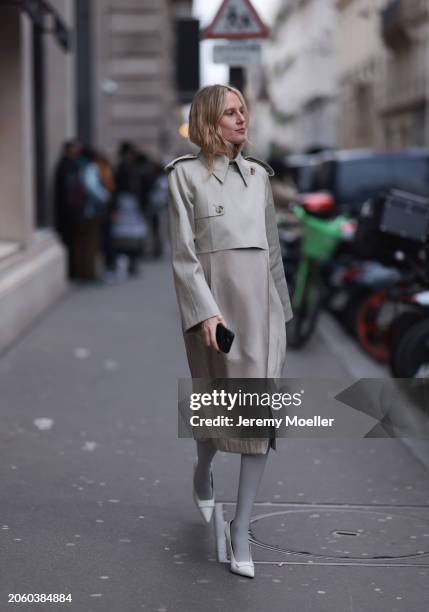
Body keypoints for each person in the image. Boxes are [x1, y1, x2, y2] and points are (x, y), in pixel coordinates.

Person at [165, 84, 293, 578]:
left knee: (258, 417)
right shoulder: (184, 177)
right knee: (219, 408)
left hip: (263, 310)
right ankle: (202, 472)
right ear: (208, 121)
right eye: (230, 113)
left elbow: (274, 250)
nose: (242, 120)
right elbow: (183, 255)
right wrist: (205, 315)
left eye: (244, 111)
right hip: (216, 312)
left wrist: (283, 312)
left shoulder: (260, 176)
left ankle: (241, 529)